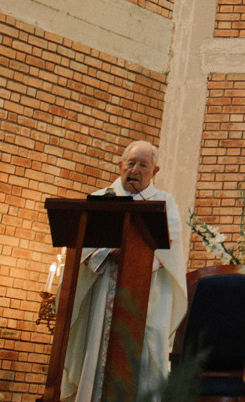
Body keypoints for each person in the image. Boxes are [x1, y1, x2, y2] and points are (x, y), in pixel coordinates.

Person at [61, 141, 189, 402]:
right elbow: (83, 244)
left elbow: (171, 247)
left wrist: (135, 260)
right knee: (95, 350)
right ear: (120, 166)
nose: (135, 170)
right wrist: (108, 253)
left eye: (143, 165)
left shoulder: (165, 203)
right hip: (102, 290)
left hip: (144, 294)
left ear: (155, 171)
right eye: (130, 163)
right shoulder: (100, 199)